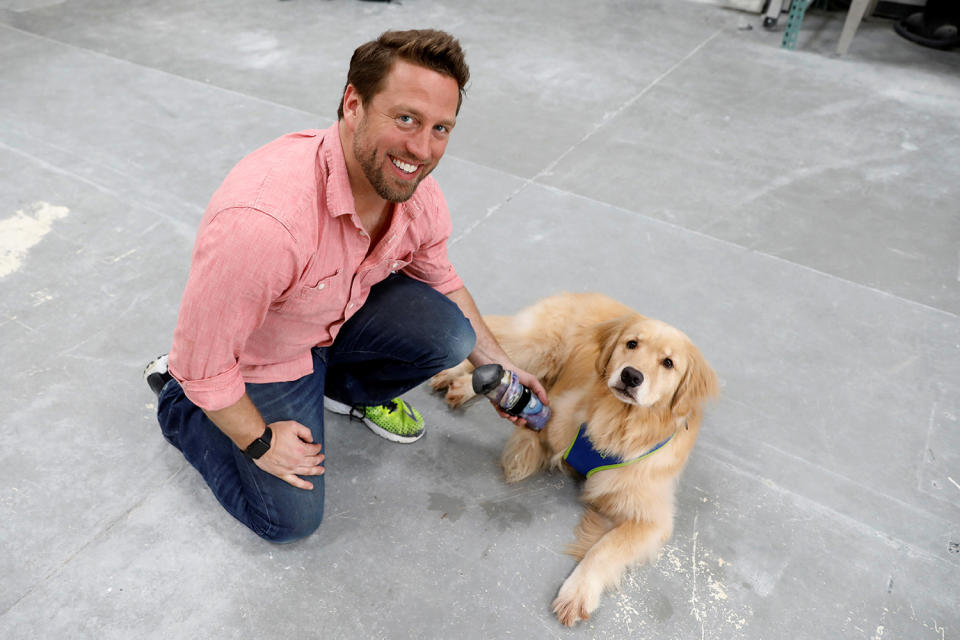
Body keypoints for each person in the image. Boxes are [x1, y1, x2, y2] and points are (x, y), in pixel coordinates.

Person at [143, 29, 547, 544]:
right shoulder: (265, 223)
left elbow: (440, 279)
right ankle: (179, 404)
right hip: (264, 355)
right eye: (406, 118)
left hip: (332, 320)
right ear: (353, 103)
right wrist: (260, 439)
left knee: (453, 338)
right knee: (289, 521)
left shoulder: (411, 191)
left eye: (440, 127)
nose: (422, 149)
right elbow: (204, 360)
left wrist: (502, 364)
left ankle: (339, 392)